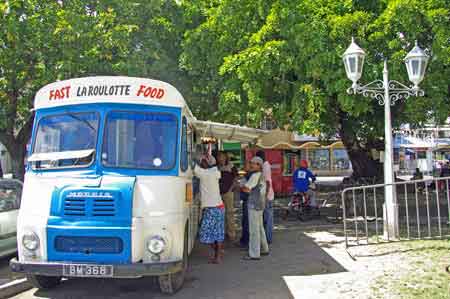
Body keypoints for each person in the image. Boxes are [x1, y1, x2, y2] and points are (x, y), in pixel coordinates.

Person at [193, 155, 225, 264]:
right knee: (218, 233)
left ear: (207, 163)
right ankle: (218, 254)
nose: (201, 163)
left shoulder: (205, 174)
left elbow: (193, 167)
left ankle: (218, 253)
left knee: (204, 233)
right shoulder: (214, 172)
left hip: (211, 208)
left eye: (202, 161)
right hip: (219, 207)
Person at [241, 156, 269, 260]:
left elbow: (247, 189)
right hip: (260, 204)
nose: (251, 165)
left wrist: (242, 186)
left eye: (253, 163)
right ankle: (264, 248)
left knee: (254, 231)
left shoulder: (255, 176)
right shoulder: (261, 175)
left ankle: (254, 254)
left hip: (253, 204)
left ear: (258, 165)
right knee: (260, 228)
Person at [217, 151, 238, 241]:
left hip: (228, 193)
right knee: (220, 214)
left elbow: (236, 178)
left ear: (225, 157)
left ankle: (231, 234)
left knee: (229, 213)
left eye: (221, 156)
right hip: (218, 194)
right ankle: (222, 233)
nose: (220, 158)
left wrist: (231, 189)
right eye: (219, 157)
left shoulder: (231, 166)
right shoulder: (217, 167)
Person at [256, 150, 274, 244]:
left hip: (267, 196)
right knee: (267, 218)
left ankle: (268, 239)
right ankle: (267, 238)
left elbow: (267, 182)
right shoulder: (265, 165)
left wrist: (265, 196)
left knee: (268, 218)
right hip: (268, 195)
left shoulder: (265, 166)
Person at [238, 160, 252, 248]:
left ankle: (246, 241)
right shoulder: (249, 175)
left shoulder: (249, 176)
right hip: (248, 200)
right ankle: (244, 240)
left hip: (249, 201)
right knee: (246, 221)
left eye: (245, 165)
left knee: (247, 222)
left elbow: (247, 189)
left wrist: (242, 187)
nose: (244, 167)